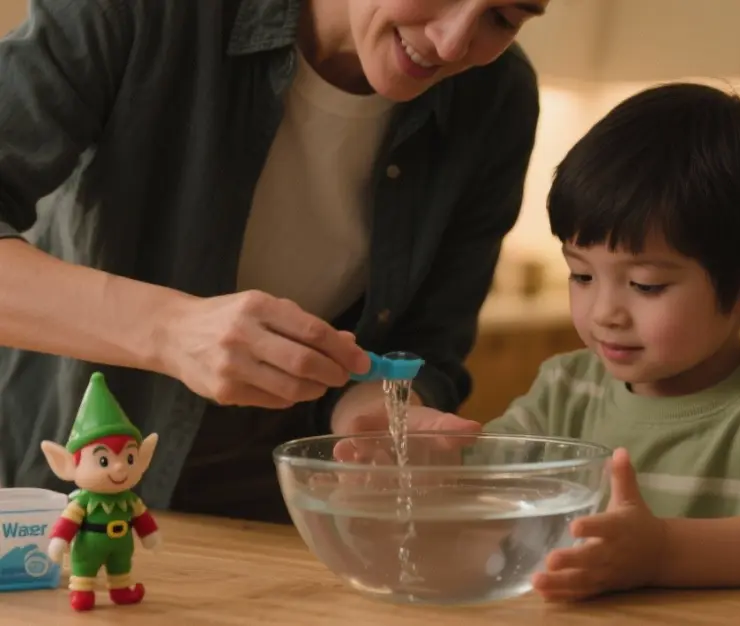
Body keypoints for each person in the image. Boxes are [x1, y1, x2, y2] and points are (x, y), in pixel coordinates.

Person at [0, 0, 546, 522]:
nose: (452, 44)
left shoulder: (497, 100)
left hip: (277, 514)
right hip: (49, 485)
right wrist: (169, 329)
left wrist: (371, 420)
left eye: (502, 17)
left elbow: (425, 342)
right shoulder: (142, 13)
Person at [480, 82, 740, 602]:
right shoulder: (566, 389)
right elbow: (480, 484)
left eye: (646, 284)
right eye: (581, 275)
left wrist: (661, 551)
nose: (604, 312)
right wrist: (422, 448)